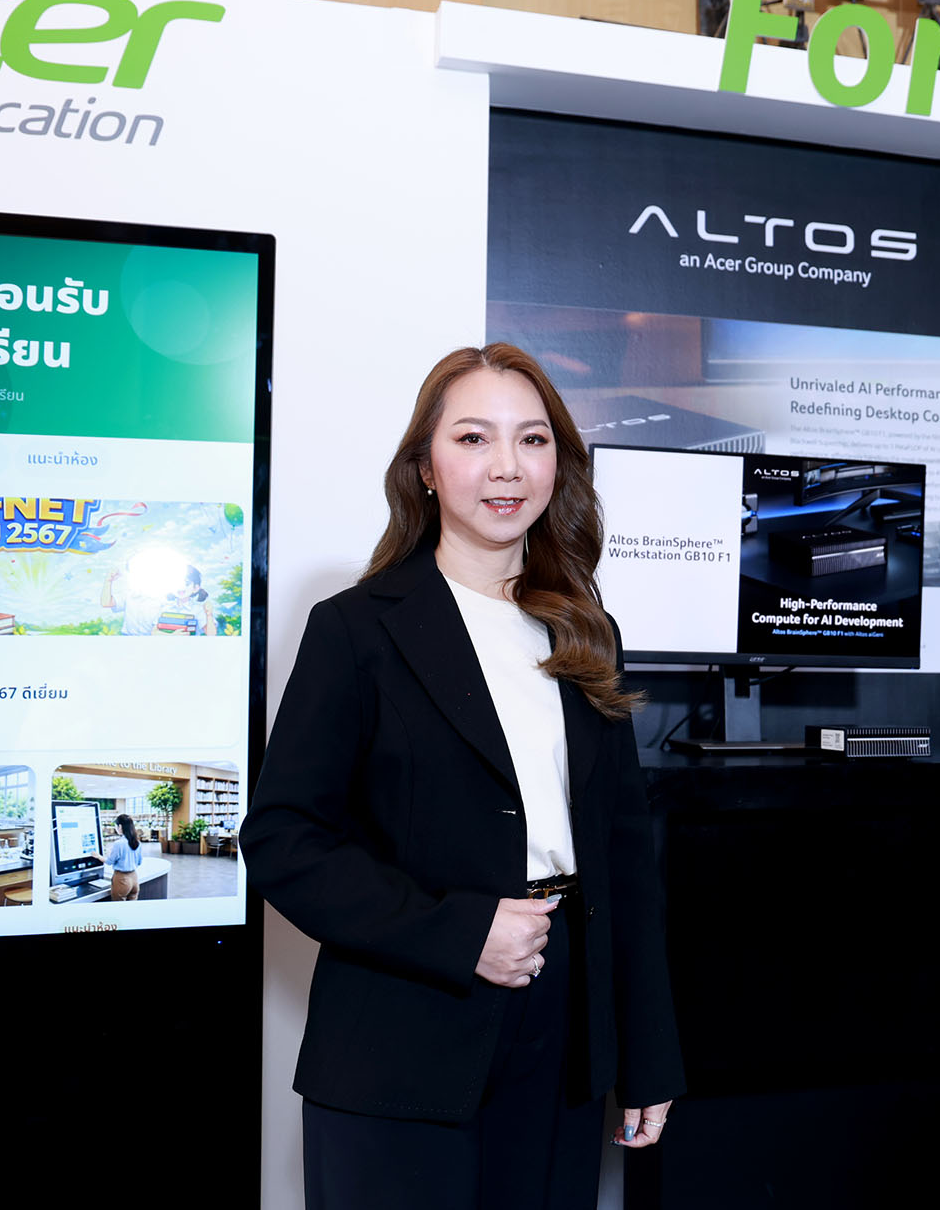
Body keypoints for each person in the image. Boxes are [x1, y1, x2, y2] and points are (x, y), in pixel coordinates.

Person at [244, 343, 684, 1210]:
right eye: (474, 437)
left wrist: (648, 1054)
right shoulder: (356, 629)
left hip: (562, 1035)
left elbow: (626, 857)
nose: (506, 466)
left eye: (532, 439)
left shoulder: (586, 632)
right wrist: (460, 931)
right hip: (401, 1036)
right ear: (426, 466)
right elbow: (283, 840)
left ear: (558, 463)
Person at [105, 813, 142, 900]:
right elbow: (139, 862)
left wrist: (98, 856)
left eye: (116, 826)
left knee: (119, 907)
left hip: (122, 880)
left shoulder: (118, 843)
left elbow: (109, 861)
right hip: (134, 878)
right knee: (131, 906)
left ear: (120, 826)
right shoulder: (137, 842)